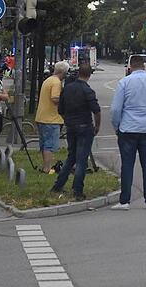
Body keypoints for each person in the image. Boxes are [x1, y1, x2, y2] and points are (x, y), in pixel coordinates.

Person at [110, 53, 146, 210]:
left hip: (128, 129)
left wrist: (116, 126)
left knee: (127, 165)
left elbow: (115, 109)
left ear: (130, 67)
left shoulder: (124, 83)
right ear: (144, 66)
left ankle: (125, 201)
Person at [50, 64, 100, 199]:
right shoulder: (88, 90)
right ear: (89, 75)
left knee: (71, 157)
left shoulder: (67, 89)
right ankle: (78, 190)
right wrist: (97, 126)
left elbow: (60, 109)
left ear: (78, 73)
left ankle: (58, 185)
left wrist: (68, 121)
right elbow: (96, 110)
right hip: (85, 126)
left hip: (71, 126)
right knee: (82, 159)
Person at [36, 61, 69, 173]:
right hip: (51, 118)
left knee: (45, 144)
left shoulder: (48, 80)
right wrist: (66, 101)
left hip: (42, 117)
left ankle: (46, 166)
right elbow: (55, 98)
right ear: (63, 72)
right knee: (50, 145)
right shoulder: (56, 82)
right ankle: (47, 168)